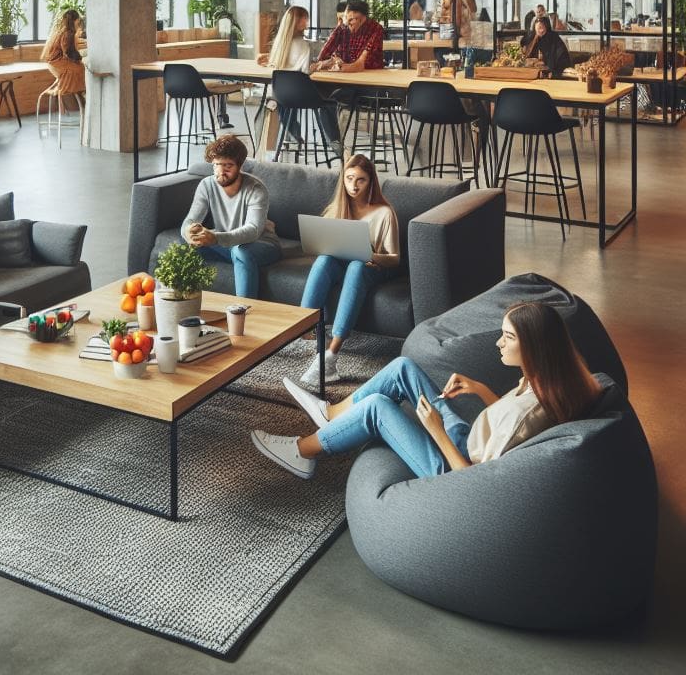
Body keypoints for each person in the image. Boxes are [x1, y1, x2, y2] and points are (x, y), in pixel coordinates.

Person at [252, 301, 602, 481]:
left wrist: (436, 429)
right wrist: (480, 390)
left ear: (536, 347)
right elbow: (507, 425)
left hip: (449, 469)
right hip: (467, 441)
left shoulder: (529, 410)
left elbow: (473, 480)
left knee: (376, 406)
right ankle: (332, 414)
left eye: (508, 337)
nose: (499, 342)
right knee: (404, 367)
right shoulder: (545, 381)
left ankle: (303, 452)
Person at [297, 154, 399, 386]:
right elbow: (323, 247)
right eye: (349, 178)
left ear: (371, 181)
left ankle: (332, 355)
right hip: (342, 263)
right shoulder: (337, 208)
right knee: (323, 260)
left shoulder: (384, 212)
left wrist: (369, 255)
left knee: (356, 265)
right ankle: (302, 327)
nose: (354, 185)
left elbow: (395, 259)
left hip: (374, 267)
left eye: (360, 180)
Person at [181, 135, 281, 299]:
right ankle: (186, 308)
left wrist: (215, 238)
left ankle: (244, 312)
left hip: (262, 244)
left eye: (228, 166)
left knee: (241, 252)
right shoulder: (207, 185)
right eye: (216, 165)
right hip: (227, 243)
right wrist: (190, 232)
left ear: (239, 166)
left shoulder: (256, 189)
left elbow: (253, 230)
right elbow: (190, 220)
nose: (221, 172)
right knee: (186, 246)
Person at [258, 5, 339, 151]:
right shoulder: (303, 45)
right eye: (305, 18)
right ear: (299, 21)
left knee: (287, 98)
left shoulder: (279, 44)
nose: (307, 22)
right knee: (330, 100)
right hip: (303, 95)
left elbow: (282, 67)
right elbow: (305, 71)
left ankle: (293, 133)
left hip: (281, 96)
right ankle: (335, 142)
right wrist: (322, 64)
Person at [313, 0, 385, 73]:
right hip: (343, 76)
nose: (347, 23)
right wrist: (332, 60)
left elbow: (359, 65)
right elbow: (322, 56)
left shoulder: (376, 29)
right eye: (346, 18)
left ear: (363, 18)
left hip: (370, 75)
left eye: (351, 19)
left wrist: (336, 64)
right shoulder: (343, 27)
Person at [41, 8, 86, 98]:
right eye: (77, 22)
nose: (79, 25)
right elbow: (69, 52)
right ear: (73, 21)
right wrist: (79, 58)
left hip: (53, 61)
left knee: (80, 66)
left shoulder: (63, 31)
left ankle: (79, 91)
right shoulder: (68, 34)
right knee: (80, 68)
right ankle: (78, 92)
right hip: (56, 62)